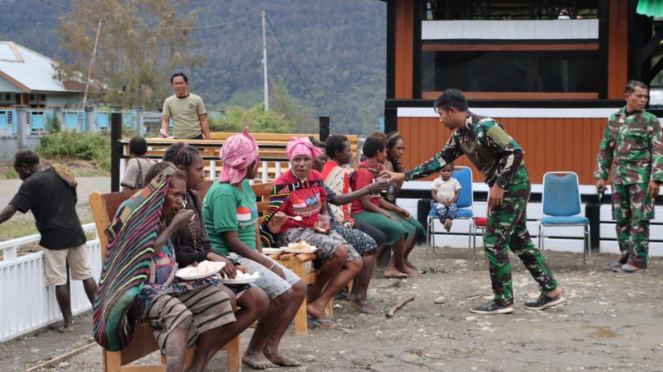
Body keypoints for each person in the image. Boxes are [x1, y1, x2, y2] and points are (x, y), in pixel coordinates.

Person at [383, 89, 564, 314]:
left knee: (493, 240)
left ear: (452, 110)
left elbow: (515, 152)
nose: (440, 120)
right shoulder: (460, 135)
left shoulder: (485, 126)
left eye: (441, 114)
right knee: (518, 239)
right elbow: (439, 161)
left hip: (512, 185)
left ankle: (503, 301)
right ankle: (550, 290)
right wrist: (404, 176)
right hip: (507, 186)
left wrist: (499, 184)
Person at [93, 162, 236, 372]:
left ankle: (197, 367)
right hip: (140, 292)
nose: (180, 200)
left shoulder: (160, 213)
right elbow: (141, 253)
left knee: (221, 300)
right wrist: (174, 226)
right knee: (182, 317)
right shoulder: (134, 212)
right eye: (175, 194)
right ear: (159, 191)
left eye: (183, 195)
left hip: (168, 287)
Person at [204, 128, 306, 368]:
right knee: (282, 293)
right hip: (229, 257)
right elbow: (231, 241)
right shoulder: (224, 193)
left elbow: (252, 227)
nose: (258, 163)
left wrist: (263, 256)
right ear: (245, 162)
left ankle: (271, 348)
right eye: (255, 159)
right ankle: (254, 350)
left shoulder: (243, 186)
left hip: (248, 254)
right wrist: (268, 263)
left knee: (299, 288)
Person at [162, 143, 271, 368]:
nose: (205, 175)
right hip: (175, 276)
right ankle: (199, 362)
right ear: (180, 168)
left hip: (198, 268)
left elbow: (203, 241)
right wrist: (210, 257)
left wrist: (223, 260)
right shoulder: (165, 202)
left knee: (259, 300)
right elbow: (172, 254)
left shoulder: (191, 196)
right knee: (227, 298)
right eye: (199, 170)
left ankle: (204, 355)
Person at [261, 137, 362, 328]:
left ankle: (318, 302)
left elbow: (323, 206)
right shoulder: (283, 183)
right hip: (291, 233)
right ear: (290, 160)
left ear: (312, 160)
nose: (302, 164)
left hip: (315, 230)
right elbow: (272, 221)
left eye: (306, 159)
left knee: (356, 262)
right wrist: (277, 219)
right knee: (340, 252)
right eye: (297, 159)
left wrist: (323, 223)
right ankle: (314, 292)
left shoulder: (316, 177)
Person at [0, 150, 96, 333]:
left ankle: (68, 324)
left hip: (54, 237)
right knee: (86, 275)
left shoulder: (30, 183)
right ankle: (103, 317)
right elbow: (74, 199)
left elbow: (9, 210)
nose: (19, 176)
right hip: (75, 231)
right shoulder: (61, 171)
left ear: (26, 168)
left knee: (60, 281)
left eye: (18, 171)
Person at [312, 135, 388, 314]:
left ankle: (339, 293)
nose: (323, 162)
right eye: (319, 158)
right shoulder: (308, 179)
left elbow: (334, 201)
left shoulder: (315, 178)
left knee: (367, 243)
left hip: (332, 224)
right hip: (325, 227)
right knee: (370, 242)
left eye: (323, 158)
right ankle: (355, 295)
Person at [595, 80, 663, 273]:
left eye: (645, 97)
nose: (643, 100)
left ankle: (638, 261)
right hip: (619, 177)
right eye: (638, 96)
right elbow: (605, 148)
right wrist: (600, 176)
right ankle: (626, 255)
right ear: (627, 96)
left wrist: (656, 179)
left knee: (640, 219)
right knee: (621, 218)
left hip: (641, 178)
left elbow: (658, 150)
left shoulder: (650, 120)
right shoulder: (614, 118)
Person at [350, 137, 420, 278]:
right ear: (378, 153)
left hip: (371, 209)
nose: (386, 155)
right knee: (399, 229)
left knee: (412, 228)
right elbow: (366, 203)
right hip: (360, 212)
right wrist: (386, 214)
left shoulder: (375, 169)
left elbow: (377, 198)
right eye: (384, 152)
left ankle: (398, 264)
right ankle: (397, 266)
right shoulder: (363, 171)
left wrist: (395, 209)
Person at [160, 72, 210, 140]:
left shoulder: (197, 99)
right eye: (176, 84)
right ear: (172, 86)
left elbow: (203, 119)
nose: (178, 86)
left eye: (181, 83)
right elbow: (165, 120)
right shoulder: (168, 101)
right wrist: (164, 132)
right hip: (178, 139)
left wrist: (208, 138)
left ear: (186, 84)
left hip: (196, 137)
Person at [431, 163, 461, 232]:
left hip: (451, 202)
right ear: (439, 171)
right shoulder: (436, 181)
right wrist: (440, 201)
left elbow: (457, 194)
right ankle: (445, 223)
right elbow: (433, 193)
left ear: (452, 171)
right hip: (439, 202)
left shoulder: (454, 181)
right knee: (440, 208)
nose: (446, 173)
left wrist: (451, 202)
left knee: (453, 208)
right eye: (443, 171)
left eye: (448, 171)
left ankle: (448, 220)